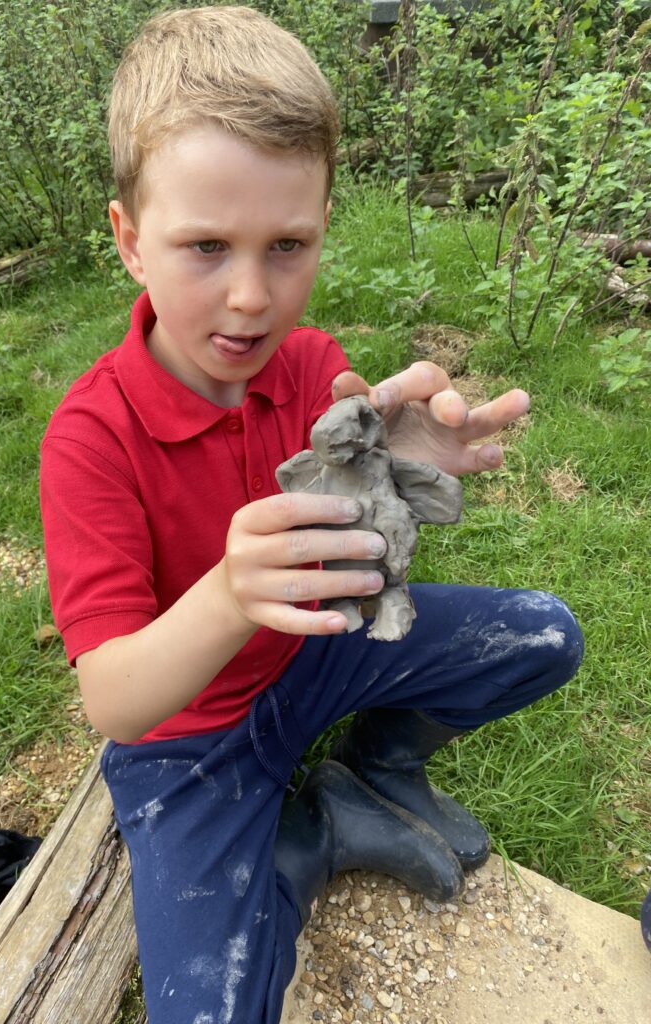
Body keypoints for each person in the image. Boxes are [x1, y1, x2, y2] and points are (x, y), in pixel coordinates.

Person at [40, 7, 584, 1021]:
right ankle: (296, 852)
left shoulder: (304, 362)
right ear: (128, 241)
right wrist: (226, 593)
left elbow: (359, 517)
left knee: (546, 637)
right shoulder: (90, 439)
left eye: (287, 244)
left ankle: (370, 777)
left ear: (324, 225)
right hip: (186, 743)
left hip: (312, 663)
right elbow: (116, 702)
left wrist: (400, 464)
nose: (251, 296)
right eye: (205, 245)